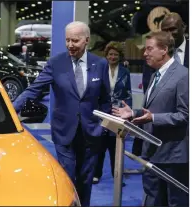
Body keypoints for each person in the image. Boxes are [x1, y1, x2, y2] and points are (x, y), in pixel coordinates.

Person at [13, 21, 111, 206]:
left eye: (75, 40)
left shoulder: (100, 64)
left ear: (86, 40)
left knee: (85, 180)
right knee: (67, 177)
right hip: (64, 132)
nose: (70, 45)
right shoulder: (56, 63)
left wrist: (102, 128)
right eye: (67, 40)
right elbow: (34, 89)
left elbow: (105, 99)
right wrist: (12, 108)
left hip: (92, 133)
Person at [112, 31, 189, 206]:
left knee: (175, 202)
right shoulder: (155, 75)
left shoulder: (184, 75)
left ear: (164, 49)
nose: (145, 53)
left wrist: (152, 118)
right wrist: (134, 114)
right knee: (153, 200)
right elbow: (153, 110)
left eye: (149, 49)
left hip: (173, 156)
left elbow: (185, 115)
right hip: (152, 152)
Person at [135, 12, 189, 156]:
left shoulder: (184, 73)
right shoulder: (153, 59)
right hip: (160, 137)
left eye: (173, 29)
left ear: (184, 27)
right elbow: (151, 97)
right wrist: (138, 114)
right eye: (165, 31)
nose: (169, 35)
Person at [92, 41, 132, 185]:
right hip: (102, 112)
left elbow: (128, 94)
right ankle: (96, 174)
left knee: (116, 146)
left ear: (120, 56)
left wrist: (129, 114)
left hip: (118, 113)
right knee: (100, 145)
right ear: (106, 55)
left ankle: (117, 177)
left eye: (115, 54)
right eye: (110, 54)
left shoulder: (125, 72)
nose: (112, 57)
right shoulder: (99, 69)